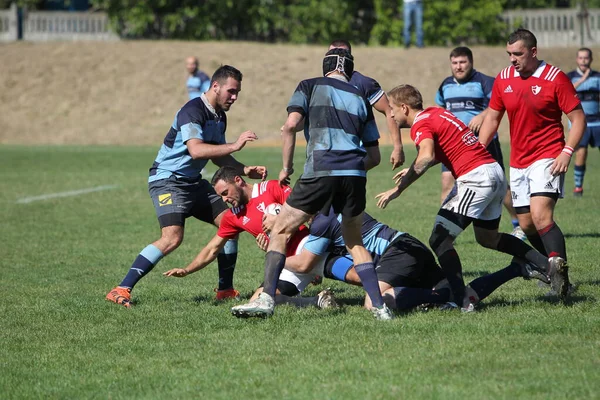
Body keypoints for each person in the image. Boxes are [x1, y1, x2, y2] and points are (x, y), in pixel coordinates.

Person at [231, 48, 394, 320]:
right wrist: (349, 168)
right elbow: (374, 156)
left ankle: (267, 299)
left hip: (320, 170)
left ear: (325, 67)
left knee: (280, 229)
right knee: (354, 241)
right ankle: (380, 307)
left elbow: (290, 126)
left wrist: (287, 168)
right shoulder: (361, 98)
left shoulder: (308, 86)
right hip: (355, 176)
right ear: (351, 71)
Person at [375, 84, 567, 310]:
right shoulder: (437, 112)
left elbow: (426, 156)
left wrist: (398, 189)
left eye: (393, 110)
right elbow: (443, 149)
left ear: (405, 108)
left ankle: (459, 300)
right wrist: (411, 170)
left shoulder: (420, 124)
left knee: (439, 239)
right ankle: (547, 265)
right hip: (493, 172)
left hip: (476, 178)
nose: (391, 115)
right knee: (488, 238)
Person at [105, 65, 267, 308]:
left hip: (192, 183)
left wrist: (243, 169)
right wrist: (235, 145)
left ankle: (225, 290)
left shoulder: (219, 115)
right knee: (172, 237)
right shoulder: (192, 111)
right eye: (231, 91)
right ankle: (121, 288)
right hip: (167, 180)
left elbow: (217, 155)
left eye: (238, 93)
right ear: (215, 86)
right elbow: (197, 149)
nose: (234, 97)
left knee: (230, 224)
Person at [478, 28, 586, 298]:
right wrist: (477, 151)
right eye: (509, 54)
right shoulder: (504, 79)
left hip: (548, 156)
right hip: (519, 161)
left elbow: (578, 118)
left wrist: (566, 151)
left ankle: (561, 286)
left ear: (533, 52)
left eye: (518, 54)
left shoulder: (555, 78)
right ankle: (554, 273)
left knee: (541, 215)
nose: (512, 59)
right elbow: (492, 118)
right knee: (526, 224)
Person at [163, 165, 336, 310]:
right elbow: (212, 248)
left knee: (356, 276)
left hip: (308, 249)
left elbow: (310, 210)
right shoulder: (233, 216)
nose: (224, 200)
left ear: (238, 180)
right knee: (258, 300)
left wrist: (278, 220)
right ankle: (317, 301)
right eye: (221, 196)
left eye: (225, 192)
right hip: (285, 264)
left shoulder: (272, 188)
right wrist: (187, 270)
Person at [435, 46, 525, 240]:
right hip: (453, 146)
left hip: (483, 143)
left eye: (462, 62)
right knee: (446, 183)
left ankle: (520, 224)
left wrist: (481, 116)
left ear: (471, 62)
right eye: (455, 63)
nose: (458, 67)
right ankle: (444, 230)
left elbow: (499, 106)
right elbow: (441, 109)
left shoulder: (485, 82)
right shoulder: (445, 85)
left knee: (501, 186)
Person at [329, 40, 405, 168]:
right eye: (332, 54)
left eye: (342, 54)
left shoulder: (363, 83)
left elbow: (389, 111)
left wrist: (398, 147)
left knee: (371, 160)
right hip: (329, 151)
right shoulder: (320, 83)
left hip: (356, 151)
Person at [566, 48, 600, 197]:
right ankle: (578, 188)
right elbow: (567, 92)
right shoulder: (570, 77)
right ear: (576, 60)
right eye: (581, 58)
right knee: (581, 153)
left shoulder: (598, 77)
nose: (583, 61)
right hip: (580, 123)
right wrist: (582, 80)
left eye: (586, 58)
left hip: (597, 122)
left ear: (591, 59)